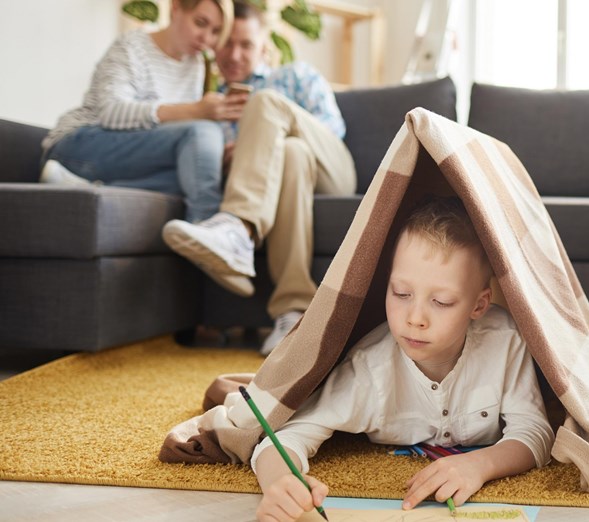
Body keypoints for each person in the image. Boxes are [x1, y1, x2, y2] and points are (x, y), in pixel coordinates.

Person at [250, 197, 554, 522]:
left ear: (478, 306)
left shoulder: (505, 339)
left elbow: (534, 430)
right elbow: (287, 437)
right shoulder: (370, 371)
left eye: (441, 301)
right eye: (401, 294)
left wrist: (481, 464)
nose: (415, 318)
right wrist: (281, 484)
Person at [160, 1, 357, 355]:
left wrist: (267, 136)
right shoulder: (212, 104)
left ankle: (237, 229)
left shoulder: (295, 75)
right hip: (286, 178)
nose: (235, 54)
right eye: (227, 44)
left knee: (267, 107)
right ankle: (293, 312)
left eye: (246, 45)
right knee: (292, 156)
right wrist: (238, 155)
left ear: (264, 47)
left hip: (332, 168)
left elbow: (332, 129)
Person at [41, 0, 242, 223]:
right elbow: (111, 112)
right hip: (79, 145)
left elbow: (173, 134)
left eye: (215, 31)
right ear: (175, 8)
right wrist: (194, 111)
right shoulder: (132, 45)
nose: (206, 38)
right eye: (200, 23)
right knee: (201, 131)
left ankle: (88, 186)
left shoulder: (194, 66)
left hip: (127, 159)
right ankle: (209, 230)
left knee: (197, 171)